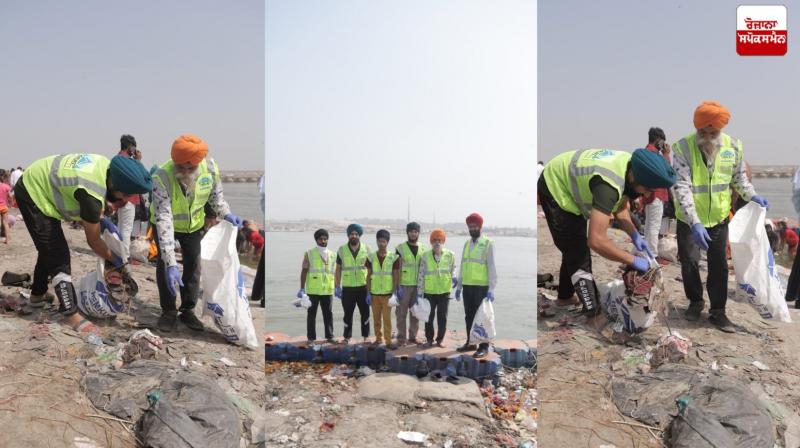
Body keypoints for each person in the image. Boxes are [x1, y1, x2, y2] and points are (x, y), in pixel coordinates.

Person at [539, 148, 676, 328]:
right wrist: (632, 260)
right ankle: (593, 315)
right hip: (555, 187)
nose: (648, 195)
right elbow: (596, 241)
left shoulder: (630, 167)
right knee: (578, 252)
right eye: (647, 189)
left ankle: (565, 297)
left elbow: (619, 207)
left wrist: (635, 234)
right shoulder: (608, 185)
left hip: (569, 183)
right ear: (634, 177)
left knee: (573, 245)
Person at [14, 153, 151, 333]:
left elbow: (88, 203)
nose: (125, 200)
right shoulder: (91, 192)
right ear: (114, 184)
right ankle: (70, 313)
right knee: (58, 254)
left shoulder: (107, 168)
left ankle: (37, 295)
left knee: (48, 246)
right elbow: (93, 241)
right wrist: (115, 259)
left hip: (42, 182)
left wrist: (100, 219)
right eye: (125, 194)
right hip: (32, 191)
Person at [672, 100, 768, 332]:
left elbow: (739, 179)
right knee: (689, 262)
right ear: (696, 128)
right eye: (702, 132)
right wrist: (695, 222)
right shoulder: (682, 148)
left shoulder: (733, 147)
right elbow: (682, 186)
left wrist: (752, 195)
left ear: (720, 130)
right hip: (689, 220)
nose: (707, 136)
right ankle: (695, 302)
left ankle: (718, 312)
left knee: (719, 266)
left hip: (719, 218)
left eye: (712, 132)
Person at [151, 134, 242, 332]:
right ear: (174, 161)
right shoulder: (161, 177)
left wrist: (226, 213)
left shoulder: (210, 169)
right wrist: (171, 263)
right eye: (180, 167)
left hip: (193, 227)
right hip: (166, 226)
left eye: (190, 168)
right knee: (165, 267)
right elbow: (164, 219)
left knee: (193, 265)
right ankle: (168, 311)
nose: (185, 172)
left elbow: (216, 198)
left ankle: (188, 310)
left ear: (199, 163)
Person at [455, 213, 497, 358]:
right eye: (470, 226)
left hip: (481, 287)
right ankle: (471, 342)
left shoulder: (488, 243)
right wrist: (459, 286)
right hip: (468, 286)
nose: (472, 229)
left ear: (480, 226)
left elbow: (492, 267)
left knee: (483, 317)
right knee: (469, 316)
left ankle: (484, 347)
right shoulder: (467, 244)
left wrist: (491, 288)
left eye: (475, 226)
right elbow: (463, 265)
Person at [334, 223, 372, 344]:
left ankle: (366, 336)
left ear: (359, 235)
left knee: (365, 313)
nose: (354, 236)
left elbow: (371, 270)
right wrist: (337, 286)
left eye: (356, 234)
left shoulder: (367, 249)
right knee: (347, 314)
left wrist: (370, 290)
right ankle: (347, 337)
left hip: (363, 288)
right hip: (348, 289)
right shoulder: (341, 249)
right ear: (348, 235)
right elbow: (338, 269)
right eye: (351, 234)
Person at [418, 228, 455, 348]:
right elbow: (421, 274)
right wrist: (419, 292)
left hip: (444, 291)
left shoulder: (450, 255)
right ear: (431, 241)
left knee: (442, 317)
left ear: (443, 241)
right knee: (428, 317)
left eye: (439, 240)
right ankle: (429, 339)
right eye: (434, 240)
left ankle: (440, 340)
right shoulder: (425, 256)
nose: (437, 242)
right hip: (429, 292)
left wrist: (455, 279)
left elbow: (453, 269)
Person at [297, 229, 336, 343]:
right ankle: (311, 338)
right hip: (313, 290)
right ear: (316, 240)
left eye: (325, 239)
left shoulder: (333, 255)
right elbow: (304, 271)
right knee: (311, 315)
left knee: (328, 314)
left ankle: (330, 336)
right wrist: (302, 288)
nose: (323, 241)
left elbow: (335, 272)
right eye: (320, 239)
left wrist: (338, 286)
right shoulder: (309, 253)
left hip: (328, 290)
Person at [642, 127, 672, 263]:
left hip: (649, 195)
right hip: (656, 195)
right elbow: (667, 171)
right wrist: (666, 154)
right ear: (659, 141)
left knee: (649, 226)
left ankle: (646, 253)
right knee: (654, 227)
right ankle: (652, 255)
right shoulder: (654, 155)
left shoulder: (645, 152)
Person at [366, 229, 400, 348]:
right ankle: (378, 339)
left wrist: (395, 292)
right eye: (379, 241)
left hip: (387, 294)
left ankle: (388, 341)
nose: (381, 244)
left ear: (387, 242)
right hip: (374, 294)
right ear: (376, 241)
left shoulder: (394, 257)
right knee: (376, 319)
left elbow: (396, 276)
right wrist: (368, 293)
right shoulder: (370, 257)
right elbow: (368, 276)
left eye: (383, 241)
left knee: (387, 319)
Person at [394, 222, 426, 346]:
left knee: (415, 313)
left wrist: (423, 288)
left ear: (418, 233)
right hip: (404, 286)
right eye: (411, 231)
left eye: (416, 232)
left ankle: (413, 337)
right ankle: (401, 338)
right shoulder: (400, 248)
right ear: (407, 233)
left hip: (417, 286)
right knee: (401, 313)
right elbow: (396, 269)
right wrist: (397, 287)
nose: (413, 234)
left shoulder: (423, 248)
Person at [115, 134, 142, 262]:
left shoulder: (118, 159)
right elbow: (139, 177)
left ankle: (119, 252)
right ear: (131, 147)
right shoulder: (128, 161)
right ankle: (125, 256)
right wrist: (138, 161)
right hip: (129, 199)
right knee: (126, 229)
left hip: (120, 199)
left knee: (121, 227)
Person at [0, 170, 11, 244]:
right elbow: (10, 196)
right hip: (4, 206)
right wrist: (10, 203)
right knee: (5, 223)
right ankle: (8, 240)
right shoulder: (6, 186)